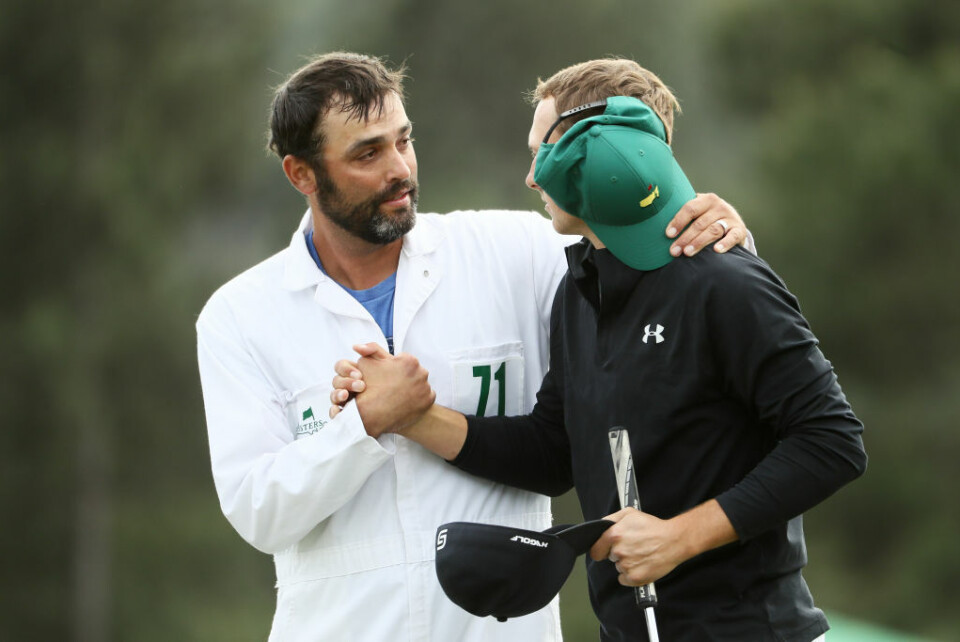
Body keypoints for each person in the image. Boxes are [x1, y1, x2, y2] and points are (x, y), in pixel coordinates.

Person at [196, 52, 750, 641]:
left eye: (403, 141)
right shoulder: (238, 316)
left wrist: (713, 230)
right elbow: (261, 514)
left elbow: (674, 291)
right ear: (300, 173)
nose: (400, 169)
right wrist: (361, 425)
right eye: (367, 153)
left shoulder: (520, 250)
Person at [332, 59, 867, 641]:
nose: (533, 178)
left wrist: (678, 537)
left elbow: (832, 440)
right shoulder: (580, 289)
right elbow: (554, 452)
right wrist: (412, 416)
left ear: (601, 154)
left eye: (544, 153)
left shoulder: (724, 283)